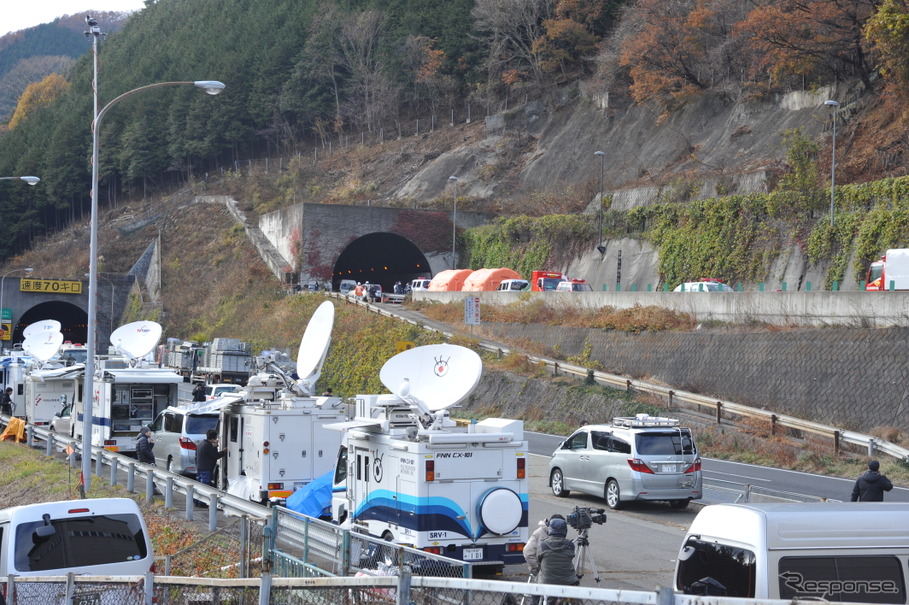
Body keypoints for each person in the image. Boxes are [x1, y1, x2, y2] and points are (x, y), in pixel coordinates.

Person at [538, 518, 579, 586]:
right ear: (565, 531)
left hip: (547, 581)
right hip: (569, 581)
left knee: (538, 582)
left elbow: (538, 560)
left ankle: (536, 596)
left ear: (550, 529)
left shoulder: (543, 545)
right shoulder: (570, 545)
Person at [524, 514, 565, 579]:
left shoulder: (559, 533)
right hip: (543, 573)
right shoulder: (538, 533)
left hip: (558, 572)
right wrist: (537, 568)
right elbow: (528, 553)